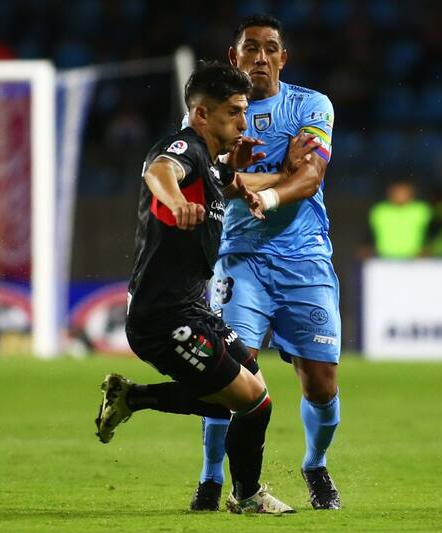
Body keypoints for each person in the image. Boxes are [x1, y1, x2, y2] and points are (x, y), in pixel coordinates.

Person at [94, 61, 314, 515]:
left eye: (245, 111)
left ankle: (133, 397)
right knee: (253, 403)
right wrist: (175, 201)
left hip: (193, 310)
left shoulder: (212, 163)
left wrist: (270, 176)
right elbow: (159, 170)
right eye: (234, 112)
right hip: (163, 319)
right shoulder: (186, 149)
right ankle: (248, 497)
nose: (243, 121)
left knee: (248, 387)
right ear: (201, 115)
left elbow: (232, 184)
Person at [188, 14, 343, 512]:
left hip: (305, 259)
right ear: (234, 57)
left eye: (270, 48)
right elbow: (208, 177)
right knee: (230, 375)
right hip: (240, 258)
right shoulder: (214, 111)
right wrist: (276, 173)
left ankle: (314, 465)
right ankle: (213, 479)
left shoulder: (311, 105)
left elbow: (312, 177)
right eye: (250, 47)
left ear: (283, 57)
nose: (260, 56)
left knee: (321, 383)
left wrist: (266, 194)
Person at [366, 180, 433, 259]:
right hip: (384, 256)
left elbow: (431, 230)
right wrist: (367, 247)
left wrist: (428, 248)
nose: (400, 195)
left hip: (414, 257)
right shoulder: (380, 210)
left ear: (411, 193)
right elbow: (370, 232)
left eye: (404, 192)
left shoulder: (421, 210)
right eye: (397, 192)